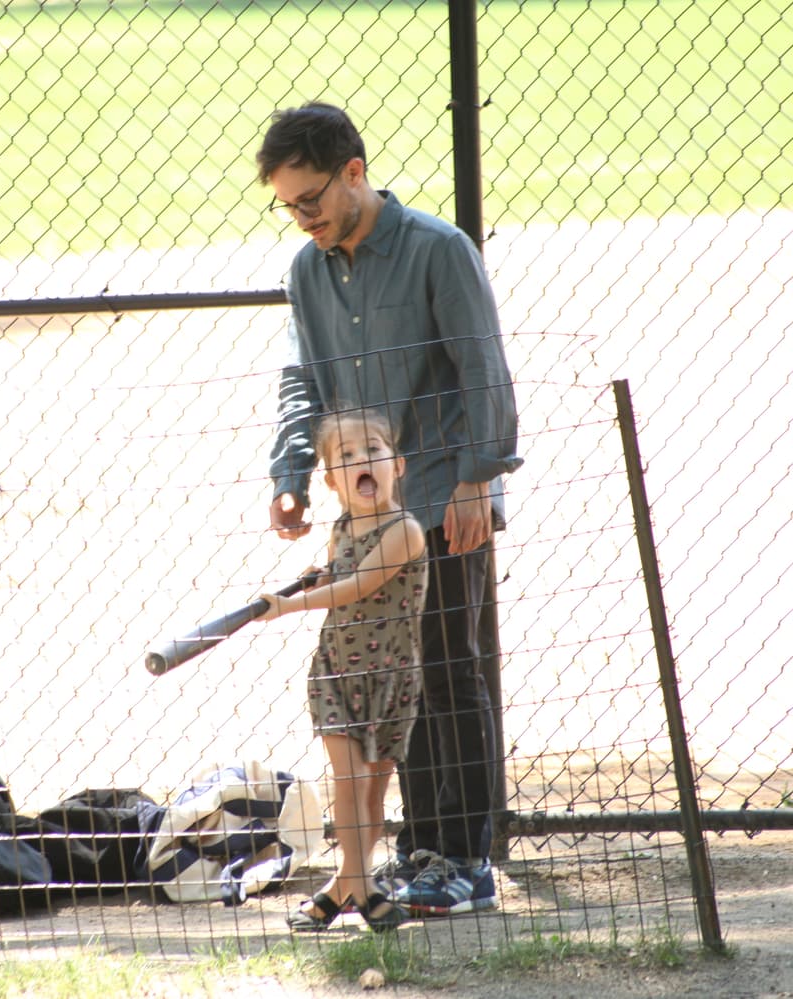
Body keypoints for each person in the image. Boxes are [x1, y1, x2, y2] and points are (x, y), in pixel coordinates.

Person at [256, 102, 523, 917]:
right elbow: (304, 377)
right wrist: (292, 469)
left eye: (310, 199)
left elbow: (483, 367)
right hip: (368, 514)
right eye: (288, 205)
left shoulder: (440, 250)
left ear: (355, 174)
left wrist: (478, 477)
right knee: (397, 687)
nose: (302, 218)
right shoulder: (308, 271)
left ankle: (465, 856)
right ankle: (419, 850)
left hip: (447, 497)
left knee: (449, 673)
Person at [258, 410, 427, 932]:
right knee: (348, 779)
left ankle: (344, 888)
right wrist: (317, 575)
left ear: (396, 465)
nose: (361, 461)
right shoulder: (342, 528)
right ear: (332, 481)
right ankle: (363, 890)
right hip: (337, 673)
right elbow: (338, 574)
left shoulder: (406, 531)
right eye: (346, 457)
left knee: (373, 793)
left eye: (373, 450)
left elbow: (358, 586)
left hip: (390, 680)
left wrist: (288, 606)